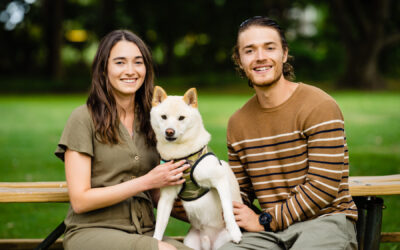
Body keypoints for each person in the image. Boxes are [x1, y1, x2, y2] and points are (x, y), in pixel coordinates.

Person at [219, 16, 358, 250]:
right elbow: (240, 193)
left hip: (324, 222)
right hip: (268, 234)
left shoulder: (319, 105)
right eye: (249, 50)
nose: (260, 57)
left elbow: (323, 187)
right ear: (239, 60)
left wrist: (265, 220)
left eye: (269, 48)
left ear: (284, 54)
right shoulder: (237, 123)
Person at [55, 30, 192, 250]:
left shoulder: (155, 121)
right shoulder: (83, 118)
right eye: (120, 62)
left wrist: (212, 217)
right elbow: (80, 201)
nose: (130, 71)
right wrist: (146, 181)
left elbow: (158, 193)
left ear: (146, 69)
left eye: (138, 62)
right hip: (93, 231)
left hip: (145, 230)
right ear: (103, 69)